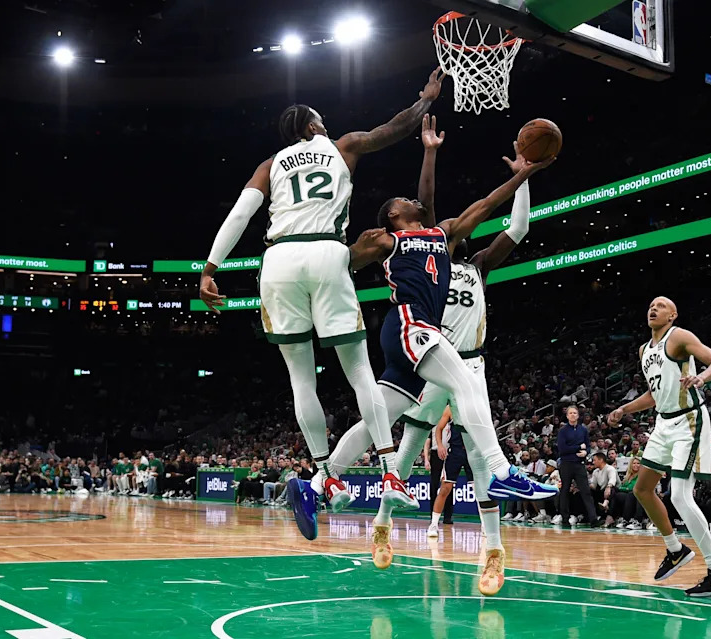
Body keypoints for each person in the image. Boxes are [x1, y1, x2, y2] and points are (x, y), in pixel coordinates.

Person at [199, 69, 450, 536]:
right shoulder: (342, 146)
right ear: (312, 127)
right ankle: (390, 470)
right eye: (321, 119)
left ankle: (324, 474)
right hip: (326, 252)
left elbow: (240, 213)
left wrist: (210, 268)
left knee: (300, 377)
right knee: (357, 371)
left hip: (277, 260)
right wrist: (424, 100)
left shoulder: (269, 164)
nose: (326, 123)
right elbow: (393, 129)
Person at [311, 121, 557, 587]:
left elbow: (497, 213)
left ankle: (493, 551)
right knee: (401, 447)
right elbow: (424, 207)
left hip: (464, 356)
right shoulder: (416, 238)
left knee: (468, 455)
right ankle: (381, 524)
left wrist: (525, 174)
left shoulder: (473, 259)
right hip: (424, 347)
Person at [608, 297, 711, 597]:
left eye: (661, 305)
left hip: (688, 421)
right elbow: (654, 395)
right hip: (663, 424)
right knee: (641, 489)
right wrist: (624, 409)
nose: (653, 308)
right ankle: (675, 549)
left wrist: (701, 377)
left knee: (679, 494)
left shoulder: (678, 336)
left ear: (673, 314)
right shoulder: (643, 350)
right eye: (650, 304)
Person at [427, 407, 476, 538]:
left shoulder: (475, 404)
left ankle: (486, 526)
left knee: (479, 490)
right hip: (455, 451)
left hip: (472, 451)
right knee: (445, 488)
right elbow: (439, 428)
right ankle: (433, 525)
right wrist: (440, 445)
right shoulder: (451, 408)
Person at [555, 405, 599, 527]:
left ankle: (593, 518)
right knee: (565, 490)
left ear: (578, 415)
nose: (573, 415)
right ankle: (565, 518)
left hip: (579, 464)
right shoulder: (563, 431)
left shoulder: (583, 430)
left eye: (575, 413)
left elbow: (588, 446)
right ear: (567, 415)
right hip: (566, 464)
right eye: (571, 413)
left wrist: (586, 452)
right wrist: (579, 448)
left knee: (586, 491)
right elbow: (562, 449)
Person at [589, 452, 619, 527]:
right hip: (602, 490)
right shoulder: (596, 471)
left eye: (594, 460)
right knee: (588, 492)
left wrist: (608, 487)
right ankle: (590, 516)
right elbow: (593, 485)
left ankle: (606, 504)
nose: (593, 462)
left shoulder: (610, 468)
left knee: (611, 489)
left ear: (601, 460)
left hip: (614, 490)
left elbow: (612, 481)